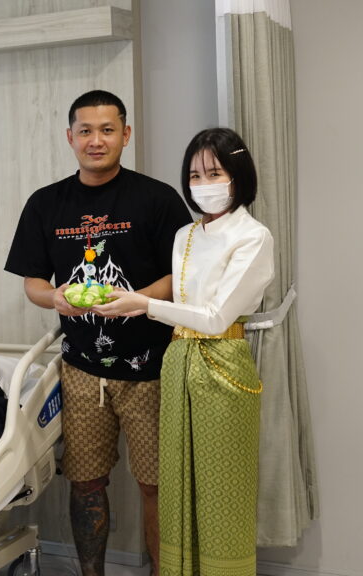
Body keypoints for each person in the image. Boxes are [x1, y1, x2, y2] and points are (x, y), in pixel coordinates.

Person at [4, 90, 192, 576]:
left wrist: (139, 300)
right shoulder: (46, 203)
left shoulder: (157, 199)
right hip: (82, 371)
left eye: (107, 130)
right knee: (85, 482)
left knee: (156, 485)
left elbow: (181, 273)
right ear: (70, 137)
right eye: (85, 131)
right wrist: (54, 297)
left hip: (151, 367)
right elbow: (32, 280)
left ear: (125, 135)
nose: (96, 140)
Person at [93, 128, 273, 576]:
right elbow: (184, 307)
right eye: (195, 175)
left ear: (238, 176)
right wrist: (132, 302)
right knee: (176, 483)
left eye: (214, 173)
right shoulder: (185, 236)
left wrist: (142, 304)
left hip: (223, 362)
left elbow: (215, 318)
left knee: (221, 487)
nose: (203, 183)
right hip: (177, 360)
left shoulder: (253, 237)